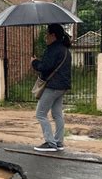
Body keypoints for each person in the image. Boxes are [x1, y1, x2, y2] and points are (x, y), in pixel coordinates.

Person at [31, 23, 72, 152]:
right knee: (57, 114)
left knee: (41, 114)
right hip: (62, 86)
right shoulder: (65, 49)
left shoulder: (53, 49)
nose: (45, 37)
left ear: (53, 35)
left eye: (47, 34)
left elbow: (45, 67)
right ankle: (59, 142)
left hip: (52, 86)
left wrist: (34, 62)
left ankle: (50, 143)